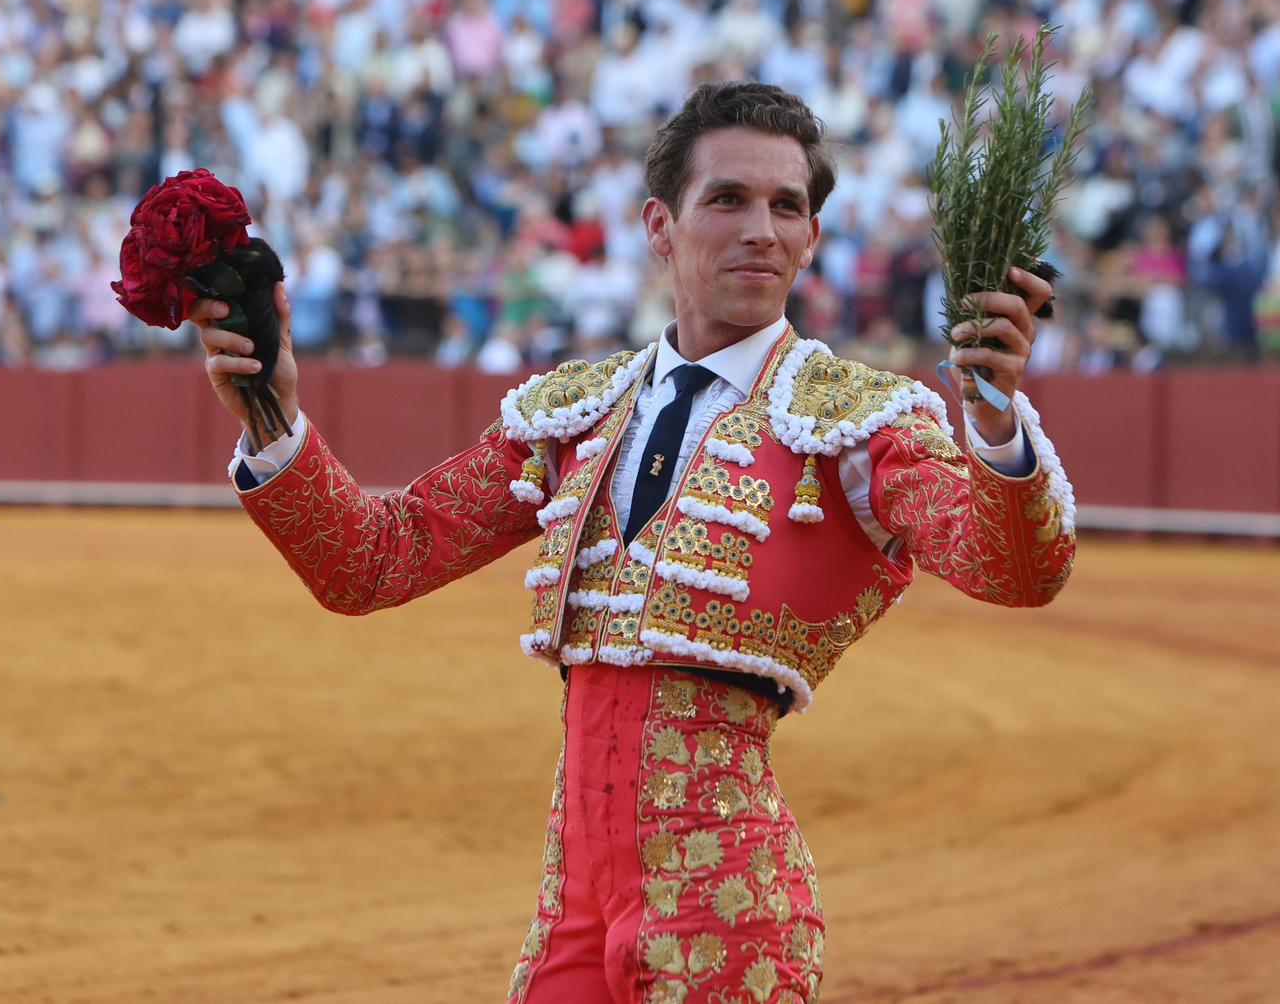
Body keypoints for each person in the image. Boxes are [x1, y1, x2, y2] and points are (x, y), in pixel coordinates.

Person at [189, 82, 1075, 1003]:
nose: (761, 230)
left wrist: (994, 416)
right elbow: (375, 560)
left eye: (788, 207)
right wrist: (273, 415)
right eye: (727, 199)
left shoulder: (859, 423)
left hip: (730, 908)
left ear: (812, 238)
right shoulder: (577, 409)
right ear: (661, 224)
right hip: (571, 907)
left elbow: (1012, 569)